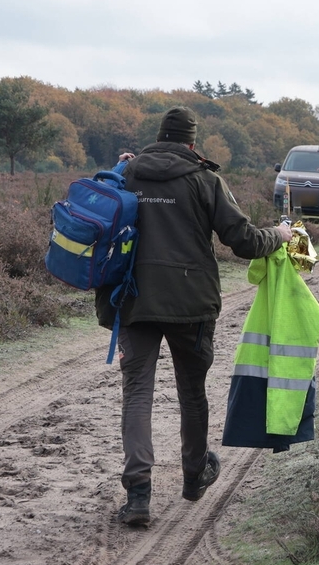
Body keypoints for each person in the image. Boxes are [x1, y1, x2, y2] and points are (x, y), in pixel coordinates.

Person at [98, 106, 292, 527]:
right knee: (191, 392)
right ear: (191, 143)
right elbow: (242, 241)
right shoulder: (206, 180)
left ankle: (138, 495)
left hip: (133, 301)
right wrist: (280, 235)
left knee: (136, 395)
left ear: (158, 137)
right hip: (191, 305)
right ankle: (193, 475)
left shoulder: (128, 175)